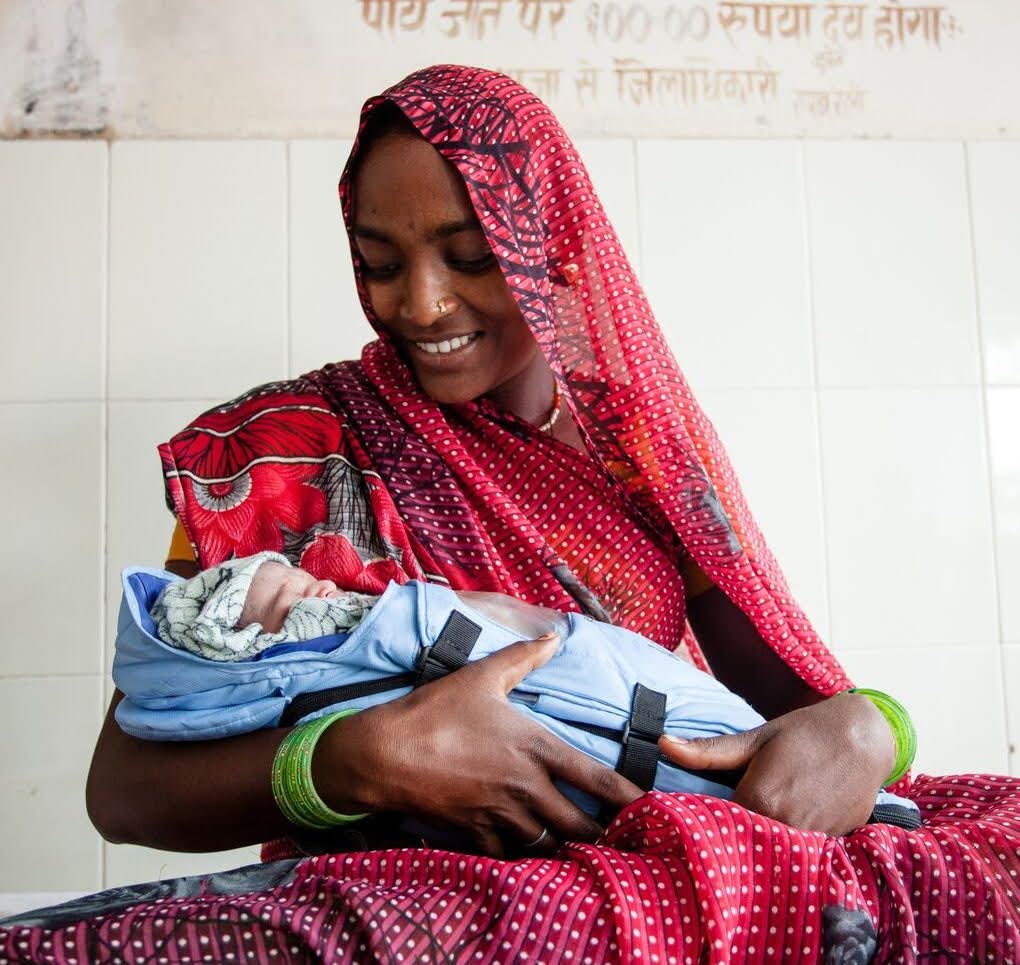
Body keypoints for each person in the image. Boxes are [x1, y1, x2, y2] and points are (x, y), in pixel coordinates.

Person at [52, 64, 1015, 962]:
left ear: (549, 242)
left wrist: (874, 728)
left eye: (469, 254)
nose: (423, 305)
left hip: (640, 912)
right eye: (381, 263)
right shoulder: (278, 453)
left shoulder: (646, 456)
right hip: (395, 919)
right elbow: (124, 788)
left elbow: (794, 714)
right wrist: (356, 760)